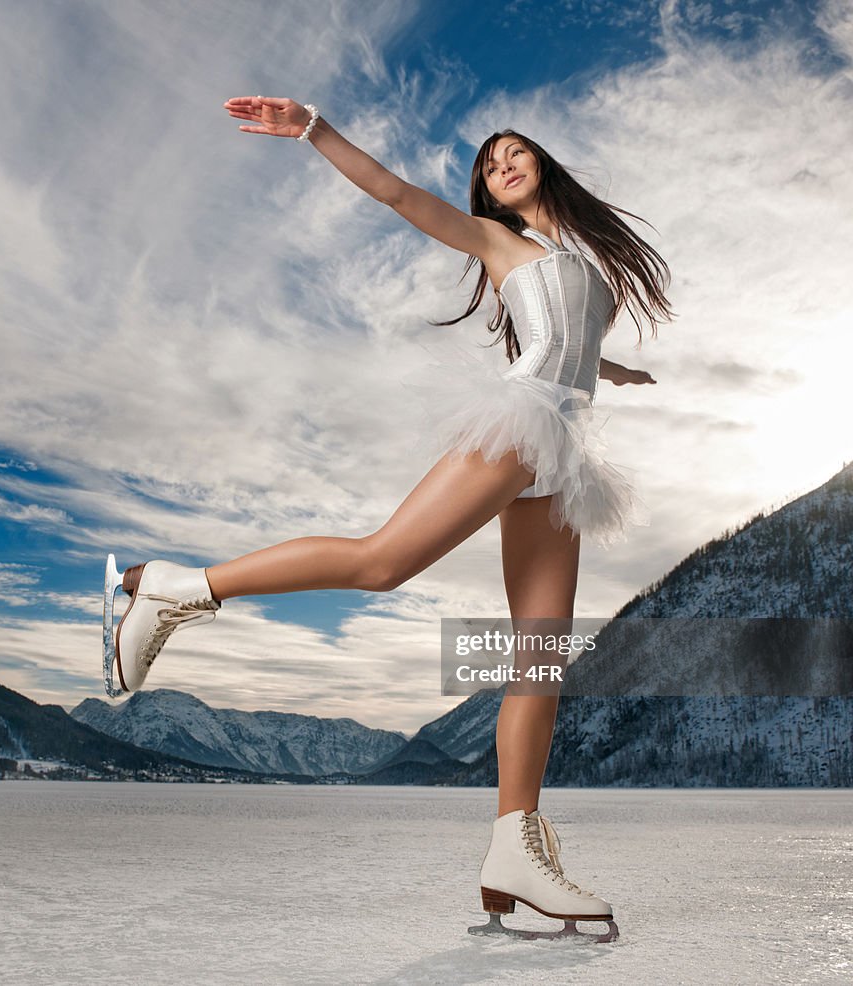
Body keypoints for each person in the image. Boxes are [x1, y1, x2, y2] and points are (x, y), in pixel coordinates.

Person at [101, 96, 672, 941]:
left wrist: (611, 370)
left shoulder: (578, 256)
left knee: (542, 655)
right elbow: (402, 197)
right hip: (524, 422)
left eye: (514, 152)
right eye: (488, 163)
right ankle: (180, 590)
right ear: (486, 192)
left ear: (543, 163)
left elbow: (568, 332)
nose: (501, 165)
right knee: (383, 562)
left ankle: (515, 852)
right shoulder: (498, 242)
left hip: (561, 453)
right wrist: (314, 129)